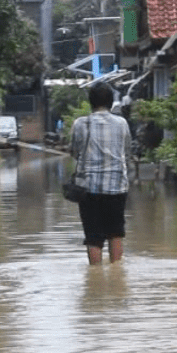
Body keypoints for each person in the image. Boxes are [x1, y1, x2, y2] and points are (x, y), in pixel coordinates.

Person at [70, 83, 132, 265]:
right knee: (115, 233)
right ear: (111, 103)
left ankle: (95, 276)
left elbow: (74, 152)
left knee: (93, 236)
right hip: (117, 186)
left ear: (90, 102)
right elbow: (127, 151)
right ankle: (116, 273)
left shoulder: (81, 124)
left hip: (88, 188)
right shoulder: (122, 124)